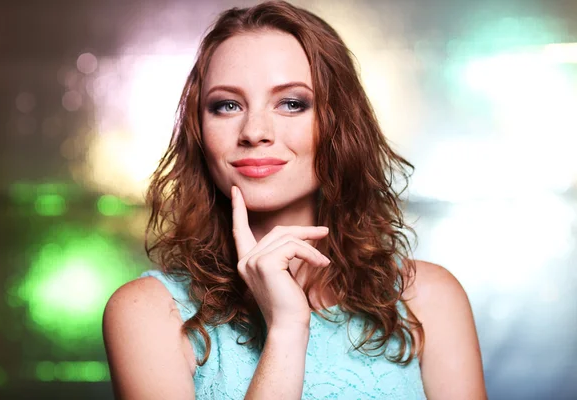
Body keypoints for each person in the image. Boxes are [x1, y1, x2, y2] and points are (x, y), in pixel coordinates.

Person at [102, 1, 486, 398]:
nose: (254, 131)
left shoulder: (429, 299)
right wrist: (286, 328)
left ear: (339, 124)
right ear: (199, 130)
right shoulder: (146, 313)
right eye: (227, 105)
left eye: (291, 103)